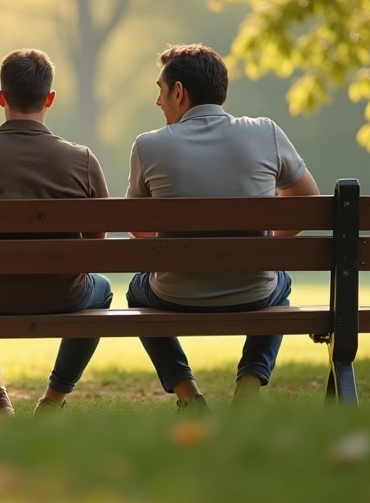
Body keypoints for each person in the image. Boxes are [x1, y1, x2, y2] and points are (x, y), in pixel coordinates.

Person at [125, 44, 320, 413]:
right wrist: (266, 247)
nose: (158, 101)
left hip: (174, 294)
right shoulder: (266, 132)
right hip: (252, 291)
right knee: (280, 285)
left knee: (137, 293)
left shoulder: (149, 145)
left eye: (160, 90)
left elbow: (138, 230)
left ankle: (188, 394)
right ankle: (247, 387)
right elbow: (307, 205)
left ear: (178, 92)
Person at [0, 49, 112, 416]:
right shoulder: (81, 158)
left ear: (0, 97)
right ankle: (53, 398)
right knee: (103, 290)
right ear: (49, 98)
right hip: (65, 294)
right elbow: (96, 242)